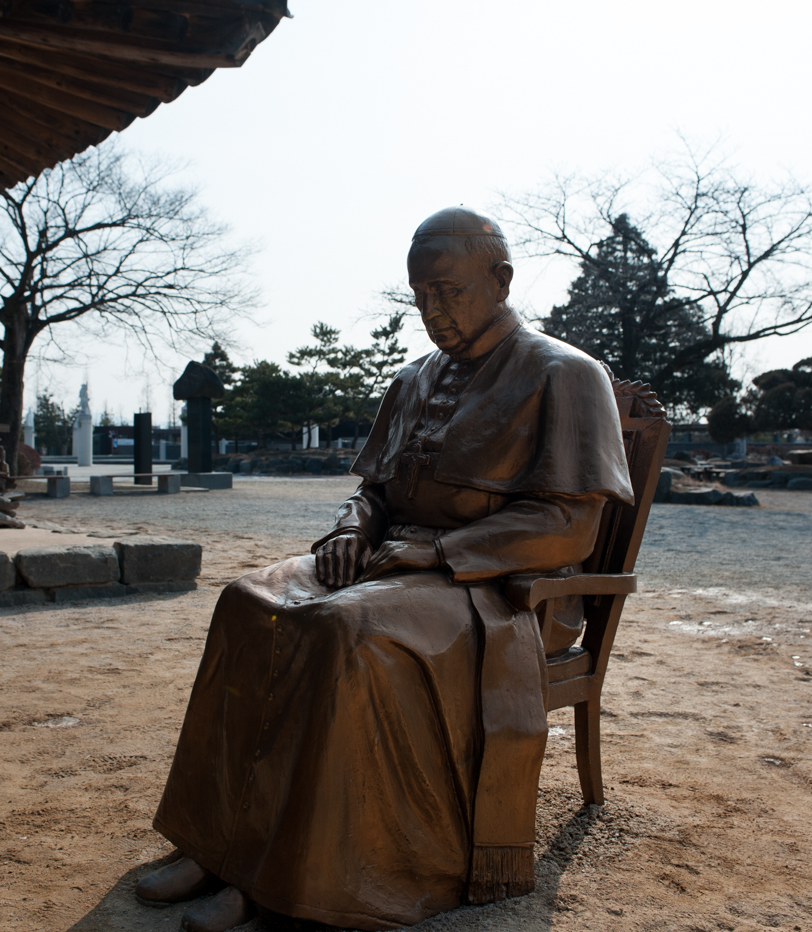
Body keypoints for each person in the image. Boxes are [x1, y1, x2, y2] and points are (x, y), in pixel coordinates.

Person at [136, 207, 633, 932]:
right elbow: (373, 489)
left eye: (449, 291)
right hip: (391, 562)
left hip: (501, 591)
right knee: (247, 602)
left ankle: (279, 878)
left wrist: (442, 551)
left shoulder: (566, 373)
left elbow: (570, 524)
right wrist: (351, 528)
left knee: (341, 629)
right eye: (420, 295)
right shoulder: (413, 377)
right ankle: (216, 845)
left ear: (500, 280)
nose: (433, 310)